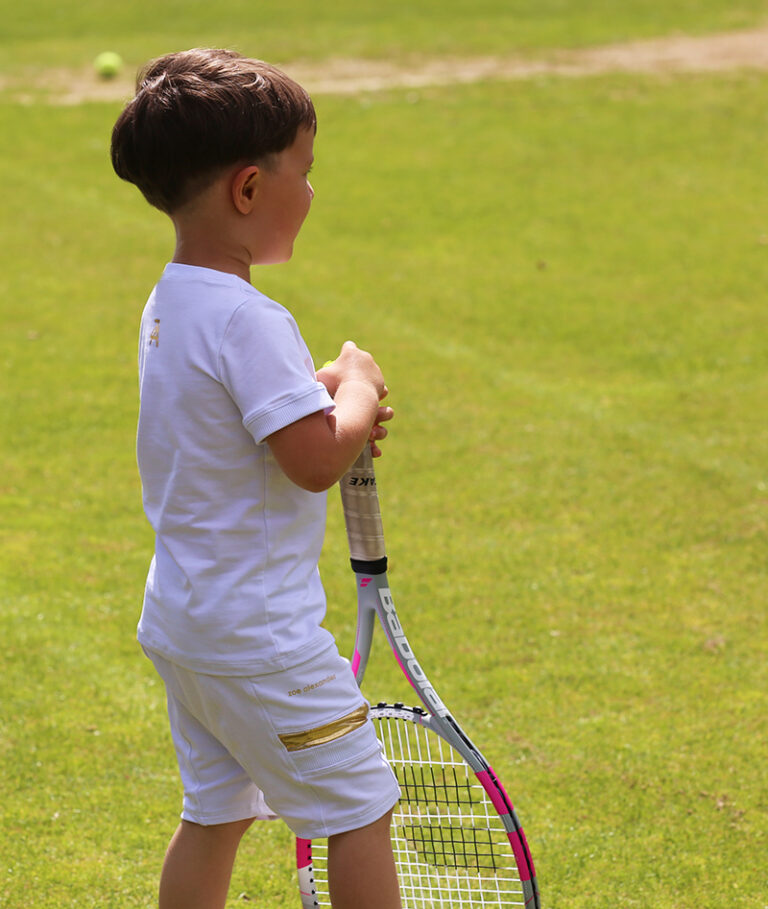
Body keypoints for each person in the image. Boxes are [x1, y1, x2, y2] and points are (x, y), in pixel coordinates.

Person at [110, 48, 401, 909]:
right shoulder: (252, 317)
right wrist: (357, 387)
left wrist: (319, 406)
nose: (311, 193)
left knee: (216, 812)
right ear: (248, 190)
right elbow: (314, 462)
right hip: (260, 640)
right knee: (359, 809)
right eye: (304, 174)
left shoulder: (175, 300)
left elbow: (229, 424)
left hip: (185, 624)